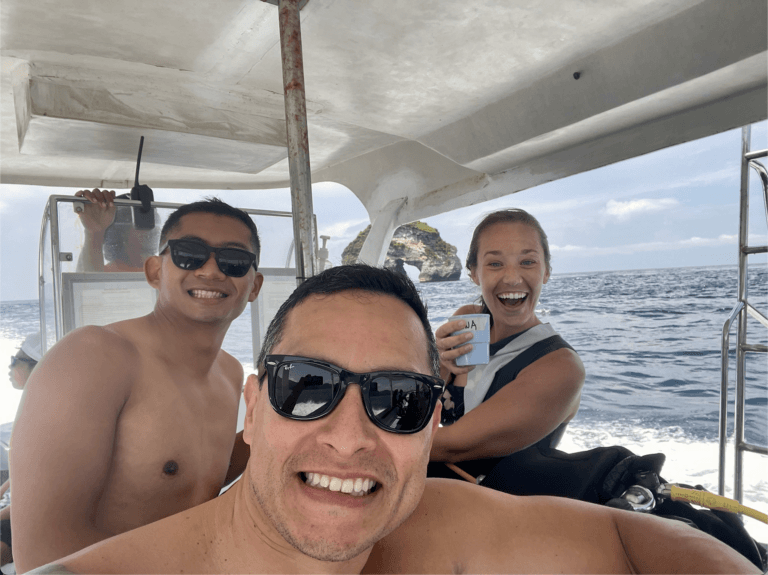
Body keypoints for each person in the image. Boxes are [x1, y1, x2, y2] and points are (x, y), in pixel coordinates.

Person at [30, 265, 757, 574]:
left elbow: (632, 540)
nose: (350, 437)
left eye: (396, 400)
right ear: (251, 408)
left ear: (432, 423)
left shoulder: (438, 527)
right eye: (307, 386)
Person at [10, 198, 264, 572]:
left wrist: (272, 418)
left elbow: (190, 478)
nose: (211, 270)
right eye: (189, 254)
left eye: (234, 260)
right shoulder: (93, 356)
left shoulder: (229, 373)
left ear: (254, 285)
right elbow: (42, 558)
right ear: (155, 271)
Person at [428, 209, 585, 483]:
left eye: (527, 262)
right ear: (474, 273)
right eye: (495, 264)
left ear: (546, 271)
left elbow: (452, 445)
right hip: (435, 483)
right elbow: (418, 410)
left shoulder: (560, 367)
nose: (512, 278)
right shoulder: (466, 321)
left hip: (502, 503)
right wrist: (434, 361)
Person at [1, 332, 42, 567]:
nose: (10, 367)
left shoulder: (44, 417)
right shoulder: (33, 407)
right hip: (14, 508)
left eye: (15, 360)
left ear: (37, 368)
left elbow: (38, 492)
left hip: (23, 517)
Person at [74, 188, 160, 272]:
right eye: (140, 221)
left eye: (151, 220)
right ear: (121, 231)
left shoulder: (161, 270)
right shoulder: (101, 272)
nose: (149, 229)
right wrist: (94, 233)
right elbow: (87, 280)